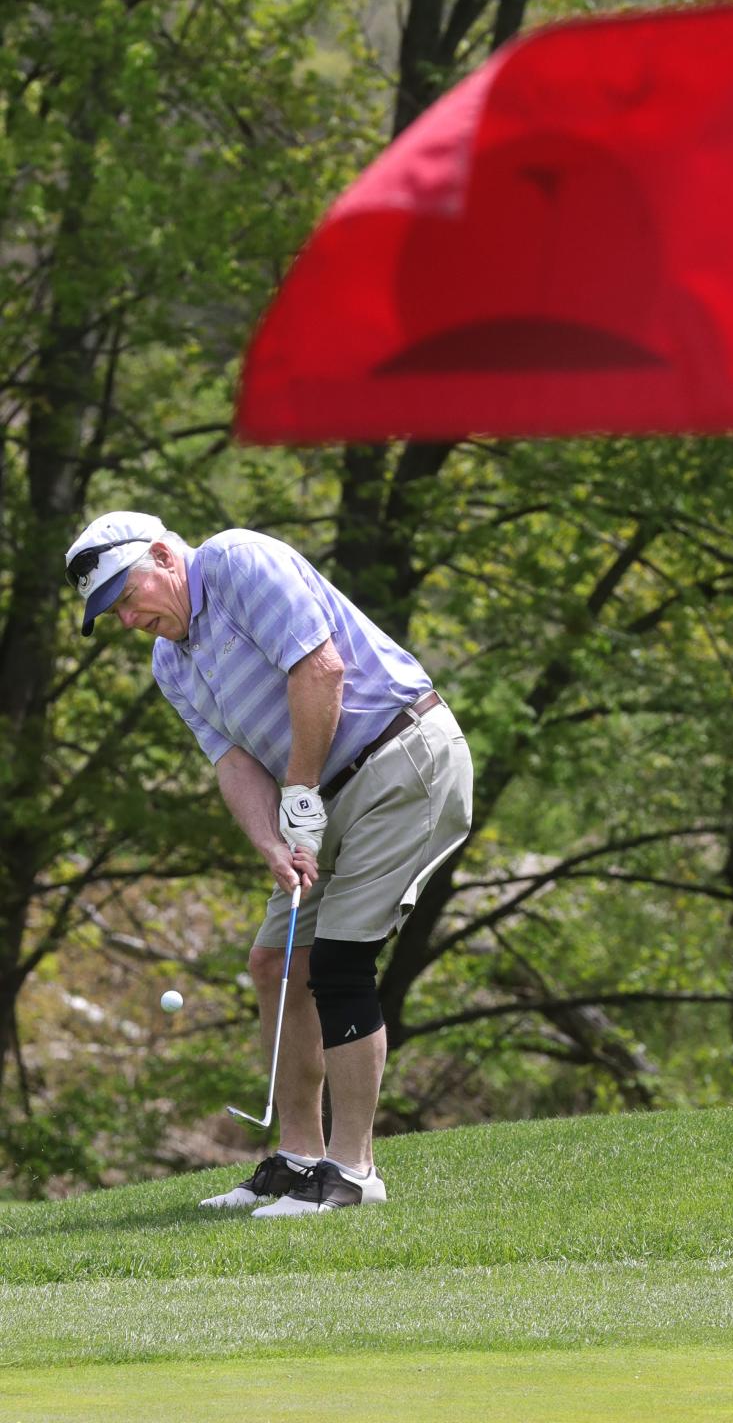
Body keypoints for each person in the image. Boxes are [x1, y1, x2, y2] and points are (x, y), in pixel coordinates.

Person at [65, 510, 473, 1216]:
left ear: (164, 556)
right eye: (113, 613)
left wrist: (302, 798)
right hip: (323, 794)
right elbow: (231, 759)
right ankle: (297, 1157)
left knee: (340, 958)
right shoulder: (172, 662)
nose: (129, 620)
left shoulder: (236, 561)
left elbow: (320, 669)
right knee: (277, 964)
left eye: (128, 597)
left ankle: (351, 1175)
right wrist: (271, 842)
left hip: (401, 759)